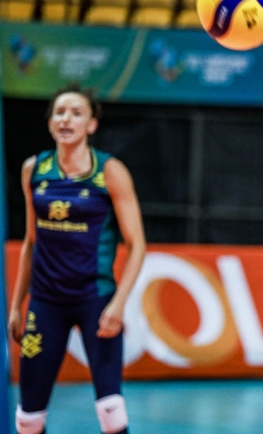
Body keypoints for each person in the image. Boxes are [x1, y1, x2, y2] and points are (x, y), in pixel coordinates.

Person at [7, 84, 146, 434]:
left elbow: (137, 245)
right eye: (59, 112)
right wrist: (15, 305)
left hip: (95, 300)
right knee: (27, 418)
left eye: (76, 112)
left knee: (111, 410)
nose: (66, 118)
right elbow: (29, 242)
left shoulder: (110, 172)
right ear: (51, 122)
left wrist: (118, 303)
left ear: (91, 125)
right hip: (46, 302)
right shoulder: (33, 170)